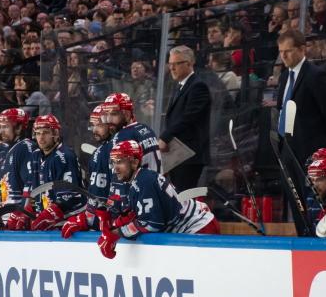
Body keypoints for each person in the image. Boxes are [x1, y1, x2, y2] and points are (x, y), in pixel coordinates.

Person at [96, 140, 219, 259]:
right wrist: (115, 225)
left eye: (119, 162)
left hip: (199, 226)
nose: (115, 168)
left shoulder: (144, 182)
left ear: (134, 162)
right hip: (193, 225)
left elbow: (152, 224)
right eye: (113, 162)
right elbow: (138, 214)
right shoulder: (139, 179)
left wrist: (115, 233)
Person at [276, 29, 326, 165]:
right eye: (281, 51)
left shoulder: (316, 75)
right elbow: (280, 109)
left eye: (288, 51)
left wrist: (317, 140)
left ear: (302, 49)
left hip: (310, 150)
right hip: (286, 148)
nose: (283, 56)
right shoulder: (284, 77)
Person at [13, 114, 84, 231]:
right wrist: (27, 212)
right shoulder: (36, 156)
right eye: (38, 133)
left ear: (55, 134)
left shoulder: (64, 157)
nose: (41, 137)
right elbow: (35, 192)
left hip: (66, 224)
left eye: (45, 133)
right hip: (47, 223)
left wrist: (49, 214)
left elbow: (70, 196)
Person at [158, 45, 211, 192]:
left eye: (176, 63)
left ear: (189, 63)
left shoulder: (198, 86)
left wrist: (165, 137)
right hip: (178, 154)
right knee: (176, 196)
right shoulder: (181, 86)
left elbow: (188, 118)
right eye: (170, 64)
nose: (172, 68)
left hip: (189, 155)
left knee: (183, 197)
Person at [62, 106, 115, 237]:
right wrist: (88, 216)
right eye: (93, 125)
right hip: (97, 218)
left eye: (99, 125)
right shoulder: (100, 150)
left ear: (110, 125)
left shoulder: (113, 150)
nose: (95, 130)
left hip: (111, 221)